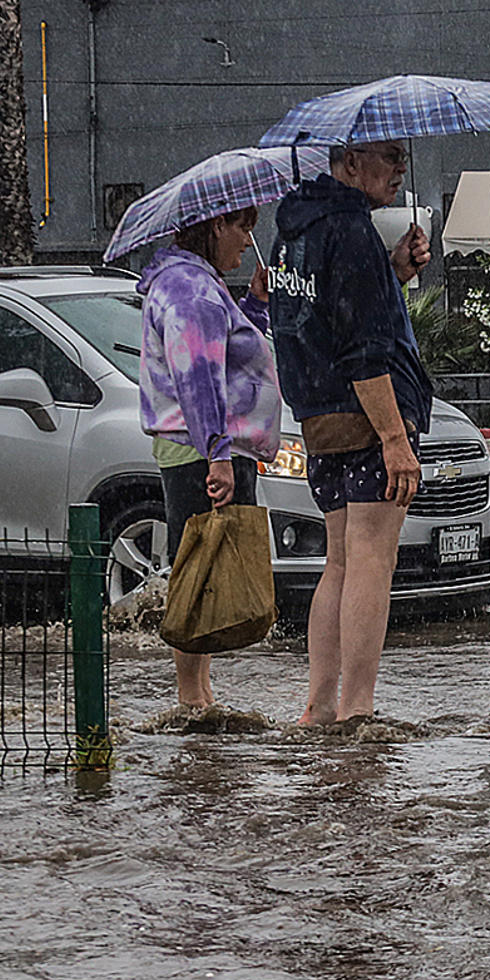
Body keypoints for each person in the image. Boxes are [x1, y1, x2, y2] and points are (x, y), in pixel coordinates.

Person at [268, 139, 432, 727]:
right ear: (351, 163)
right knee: (371, 560)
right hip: (366, 419)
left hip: (318, 420)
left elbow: (320, 313)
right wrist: (394, 437)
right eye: (390, 156)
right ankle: (357, 709)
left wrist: (393, 271)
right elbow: (364, 347)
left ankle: (319, 705)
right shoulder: (351, 231)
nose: (400, 168)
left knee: (338, 560)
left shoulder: (294, 232)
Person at [138, 205, 283, 709]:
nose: (247, 240)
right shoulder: (188, 289)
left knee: (202, 561)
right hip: (201, 448)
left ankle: (197, 692)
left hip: (205, 445)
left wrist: (256, 306)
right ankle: (191, 696)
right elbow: (197, 378)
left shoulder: (199, 284)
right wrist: (217, 454)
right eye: (242, 227)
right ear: (215, 225)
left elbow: (230, 354)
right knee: (196, 565)